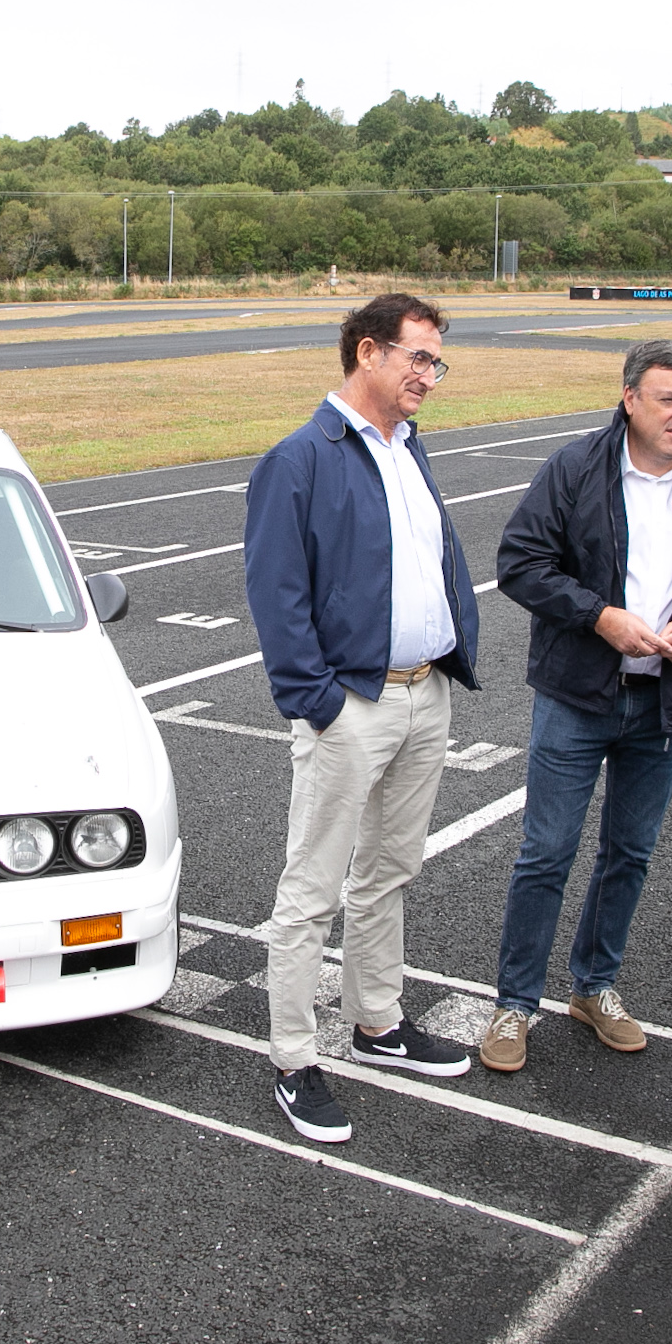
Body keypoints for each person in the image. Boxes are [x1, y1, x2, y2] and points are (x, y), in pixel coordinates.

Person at [478, 339, 672, 1072]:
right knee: (547, 852)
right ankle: (515, 1002)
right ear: (630, 398)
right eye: (669, 399)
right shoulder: (575, 469)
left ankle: (594, 986)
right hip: (577, 696)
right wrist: (599, 617)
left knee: (629, 854)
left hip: (664, 704)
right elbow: (521, 563)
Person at [242, 292, 482, 1145]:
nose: (429, 376)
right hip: (351, 703)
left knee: (390, 870)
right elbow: (277, 593)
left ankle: (378, 1023)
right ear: (368, 352)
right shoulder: (300, 458)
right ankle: (293, 1058)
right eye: (418, 357)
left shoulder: (410, 447)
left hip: (425, 693)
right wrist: (318, 701)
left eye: (437, 362)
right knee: (312, 888)